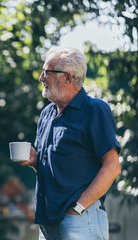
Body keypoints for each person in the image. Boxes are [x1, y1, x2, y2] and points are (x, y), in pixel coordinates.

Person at [20, 46, 121, 240]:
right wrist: (35, 162)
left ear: (68, 77)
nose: (41, 78)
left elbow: (112, 167)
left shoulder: (95, 110)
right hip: (48, 222)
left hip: (80, 220)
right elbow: (54, 172)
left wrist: (78, 209)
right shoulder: (47, 114)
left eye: (46, 72)